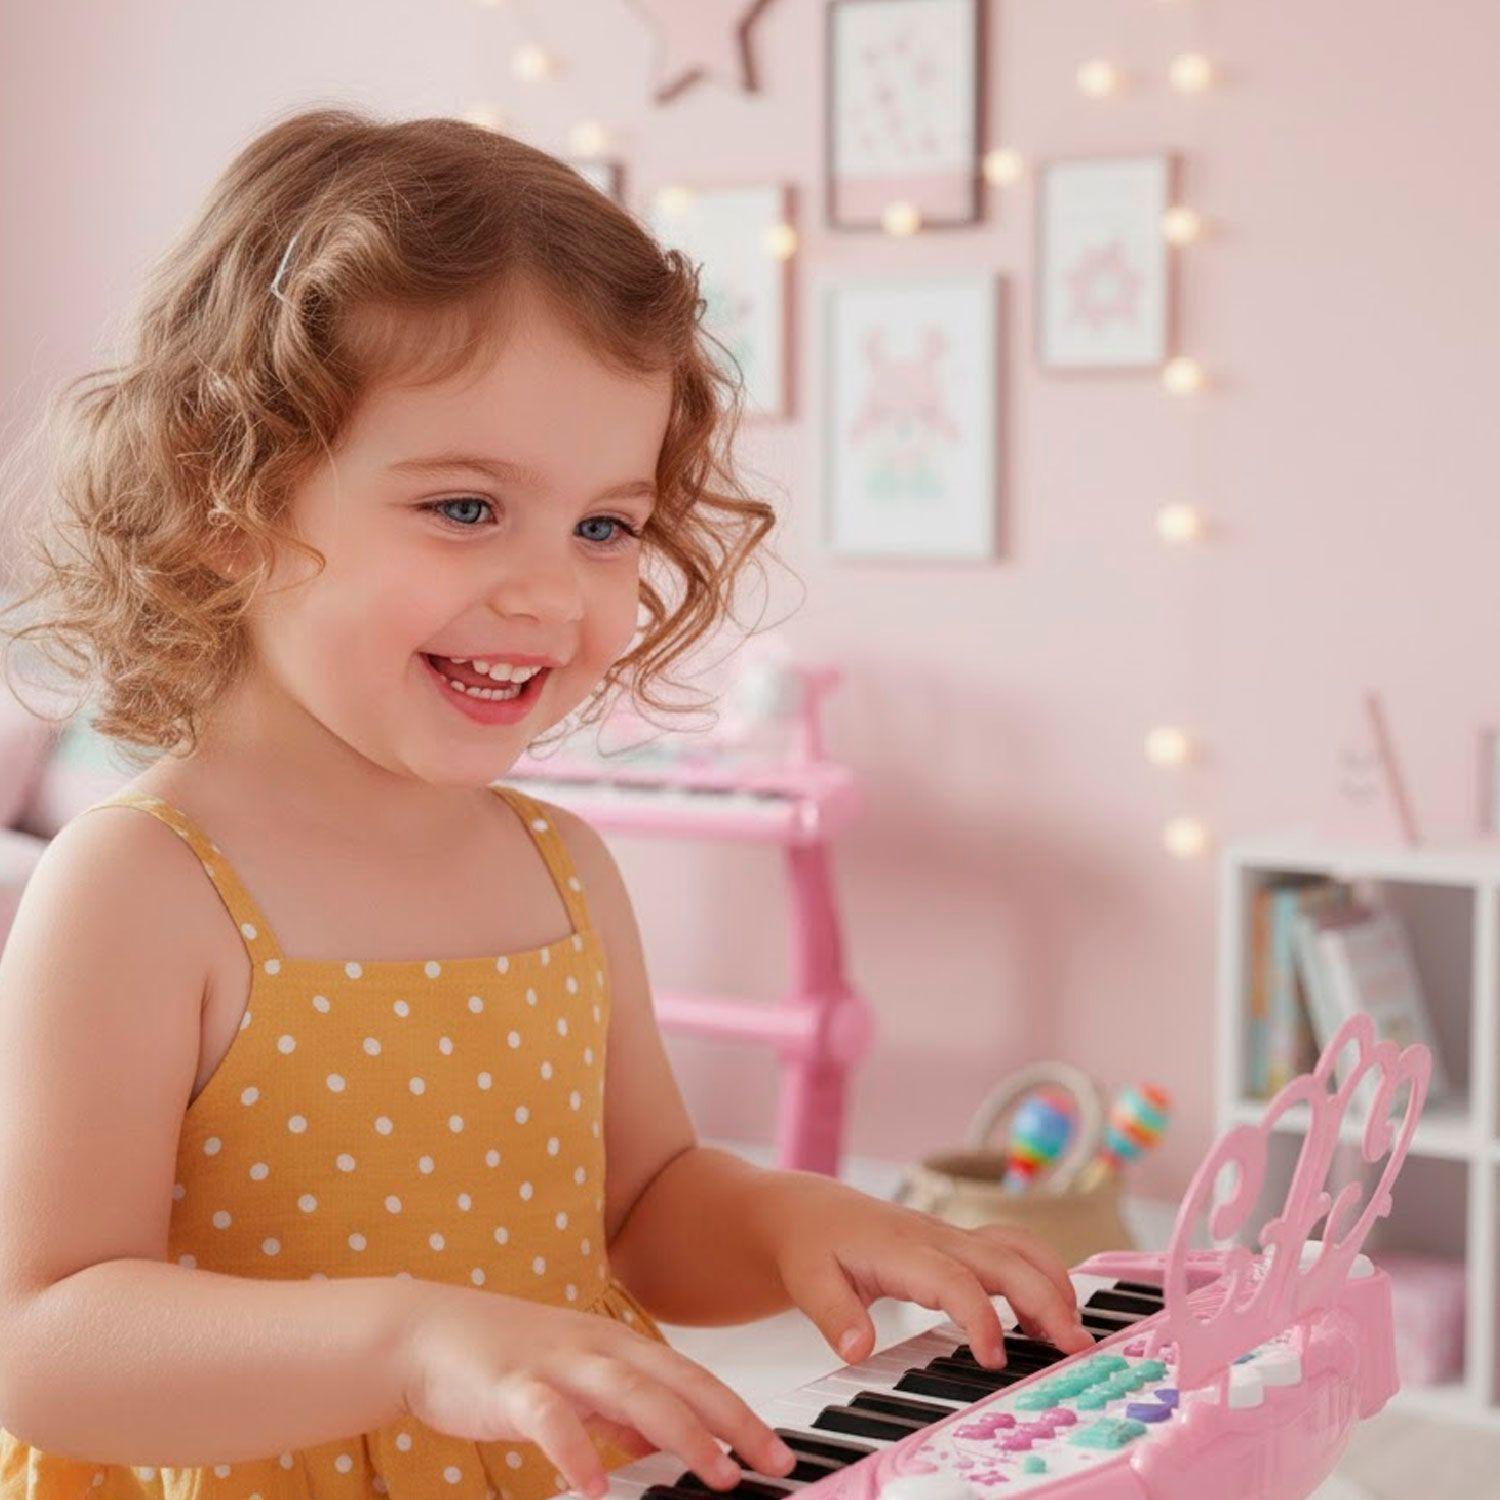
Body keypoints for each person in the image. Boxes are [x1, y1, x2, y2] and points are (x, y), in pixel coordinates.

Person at [0, 107, 1092, 1500]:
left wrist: (800, 1221)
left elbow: (642, 1207)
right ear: (234, 505)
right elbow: (45, 1336)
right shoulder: (143, 885)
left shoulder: (559, 865)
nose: (553, 592)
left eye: (604, 526)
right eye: (466, 508)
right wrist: (409, 1342)